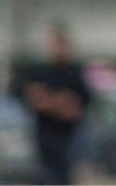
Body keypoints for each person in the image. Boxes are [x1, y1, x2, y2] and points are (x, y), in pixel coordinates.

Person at [15, 21, 91, 185]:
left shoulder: (74, 71)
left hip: (68, 137)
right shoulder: (38, 70)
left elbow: (82, 103)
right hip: (44, 135)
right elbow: (25, 93)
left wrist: (62, 104)